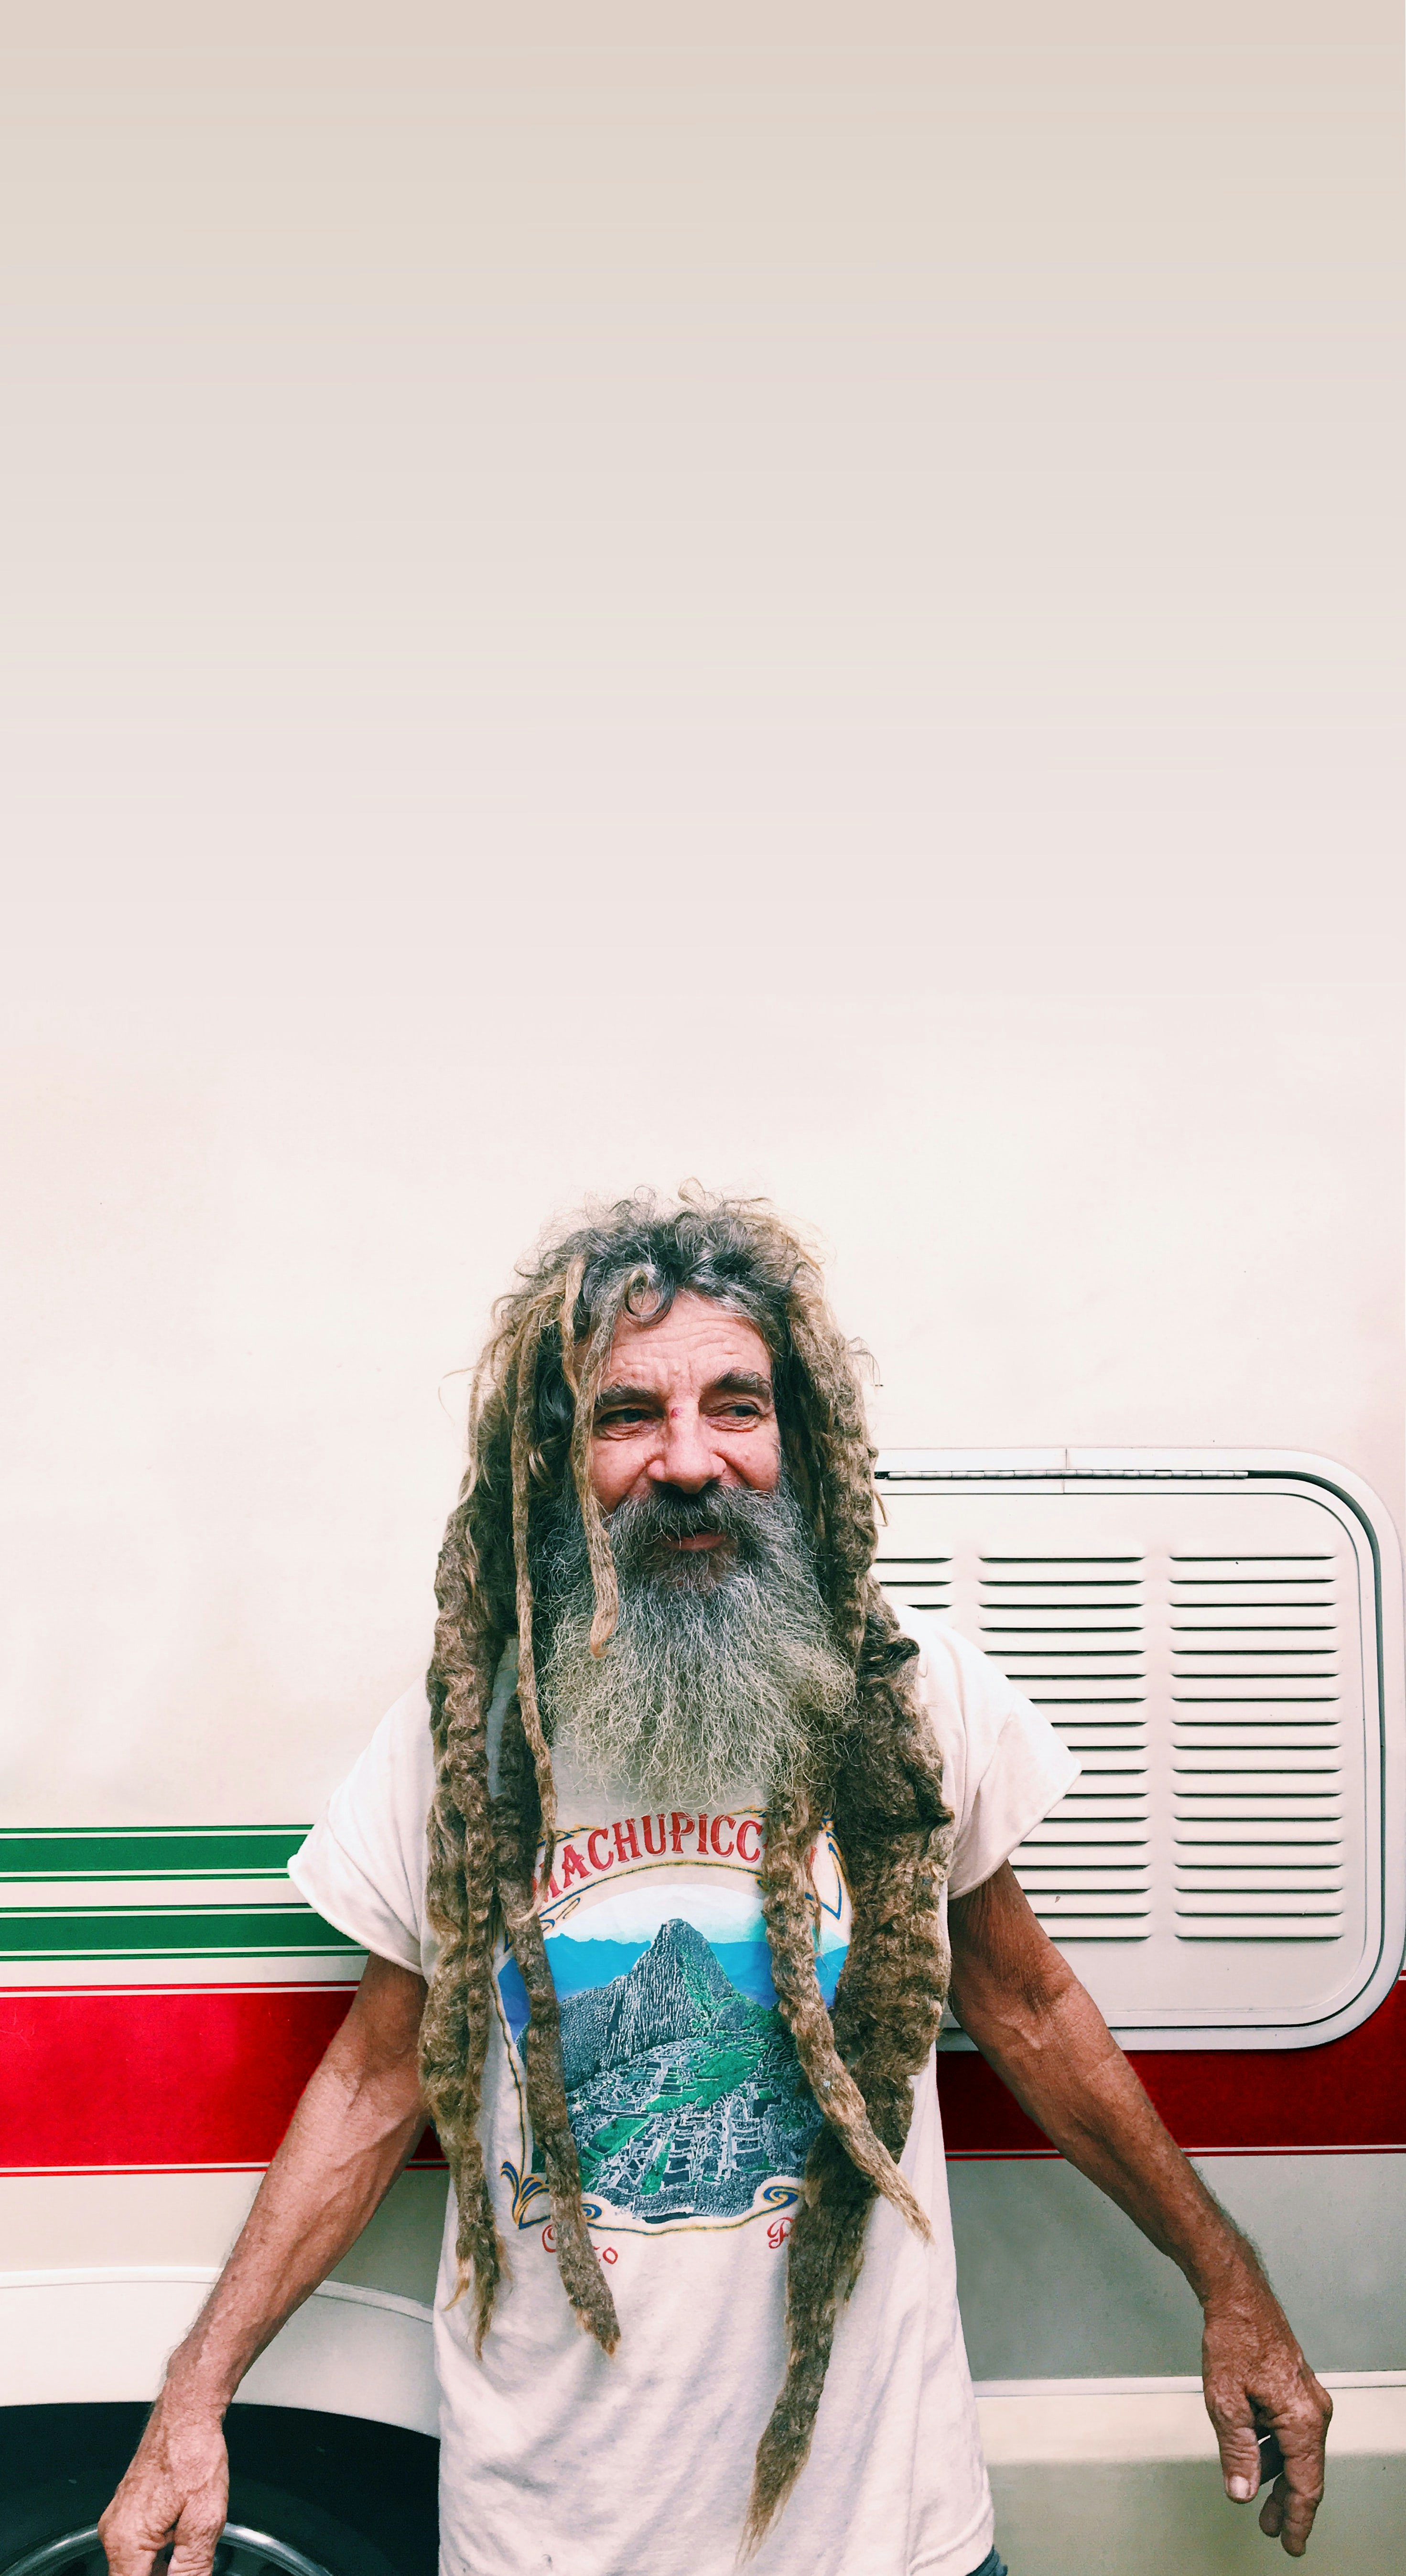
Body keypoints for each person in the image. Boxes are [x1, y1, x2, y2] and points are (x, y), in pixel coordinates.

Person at [98, 1194, 1331, 2576]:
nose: (690, 1462)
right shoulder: (473, 1741)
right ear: (561, 1456)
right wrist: (193, 2397)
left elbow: (1030, 2007)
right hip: (554, 2548)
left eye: (735, 1406)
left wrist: (1233, 2287)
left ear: (796, 1439)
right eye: (630, 1416)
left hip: (890, 2544)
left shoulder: (914, 1702)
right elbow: (377, 2081)